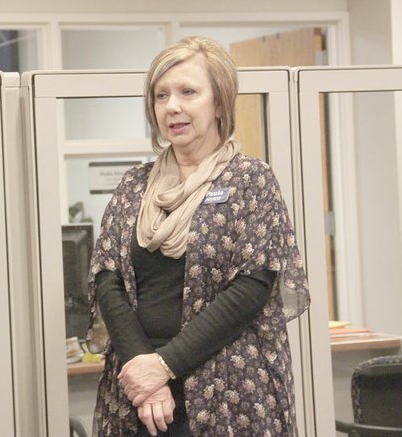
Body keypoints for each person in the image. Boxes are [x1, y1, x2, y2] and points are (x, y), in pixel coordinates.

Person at [87, 36, 310, 436]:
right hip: (136, 393)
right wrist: (144, 369)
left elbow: (252, 287)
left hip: (228, 390)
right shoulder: (134, 186)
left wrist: (165, 365)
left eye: (188, 92)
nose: (172, 106)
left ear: (220, 103)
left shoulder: (249, 181)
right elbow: (107, 279)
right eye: (161, 95)